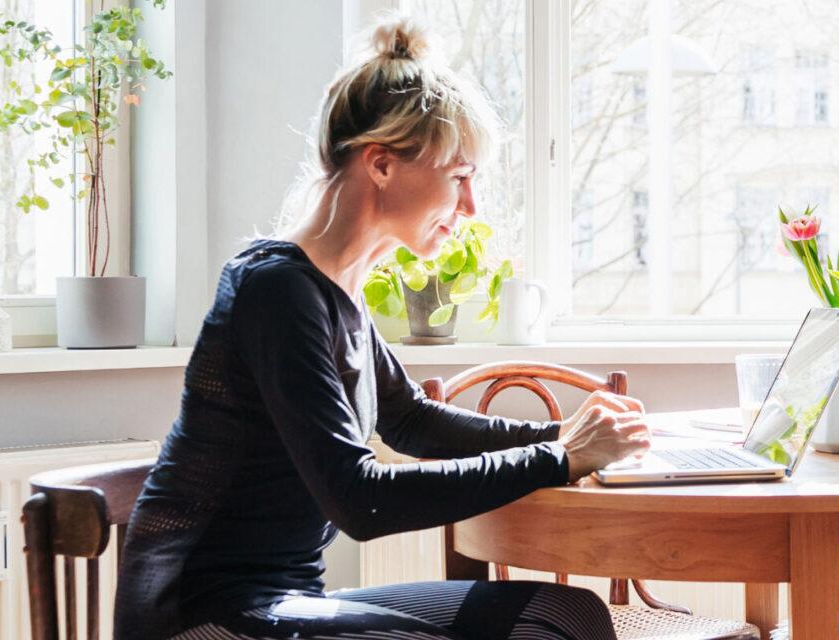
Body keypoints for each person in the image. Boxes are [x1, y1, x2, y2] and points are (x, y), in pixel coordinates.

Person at [116, 15, 650, 640]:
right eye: (458, 177)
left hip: (284, 599)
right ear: (381, 164)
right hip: (204, 614)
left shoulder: (335, 288)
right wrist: (557, 458)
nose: (470, 206)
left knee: (563, 615)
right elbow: (360, 499)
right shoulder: (276, 290)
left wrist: (563, 434)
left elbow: (411, 420)